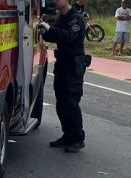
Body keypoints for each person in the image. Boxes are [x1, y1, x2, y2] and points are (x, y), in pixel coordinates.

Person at [39, 0, 87, 153]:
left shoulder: (76, 19)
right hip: (62, 64)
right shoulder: (62, 18)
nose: (54, 1)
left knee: (71, 103)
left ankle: (77, 138)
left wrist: (51, 29)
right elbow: (56, 37)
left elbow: (68, 37)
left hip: (73, 66)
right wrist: (45, 32)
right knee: (61, 102)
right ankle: (68, 135)